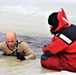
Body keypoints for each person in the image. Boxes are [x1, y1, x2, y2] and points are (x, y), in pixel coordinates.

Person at [40, 8, 76, 72]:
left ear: (56, 24)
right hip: (72, 56)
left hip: (72, 62)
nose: (50, 27)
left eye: (51, 24)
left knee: (44, 59)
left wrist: (44, 48)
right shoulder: (72, 27)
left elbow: (48, 52)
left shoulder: (63, 36)